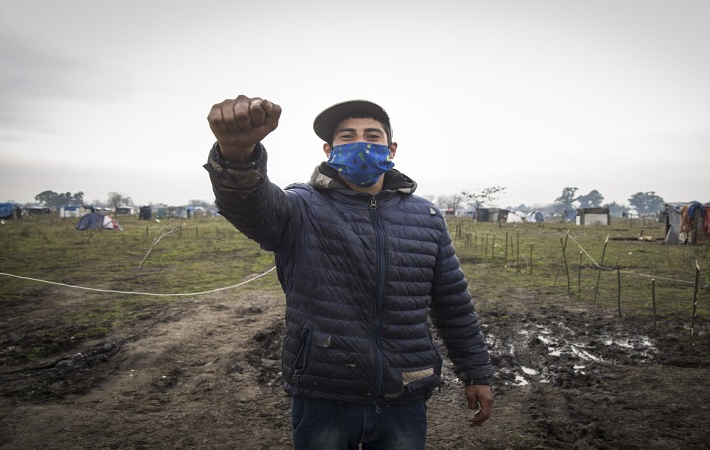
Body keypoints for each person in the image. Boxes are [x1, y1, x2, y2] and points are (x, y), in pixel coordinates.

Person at [204, 95, 493, 449]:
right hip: (324, 391)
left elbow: (453, 305)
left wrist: (475, 373)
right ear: (328, 149)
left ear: (392, 148)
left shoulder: (427, 218)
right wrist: (236, 154)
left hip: (405, 391)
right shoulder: (300, 207)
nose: (361, 143)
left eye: (372, 136)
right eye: (347, 136)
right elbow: (249, 204)